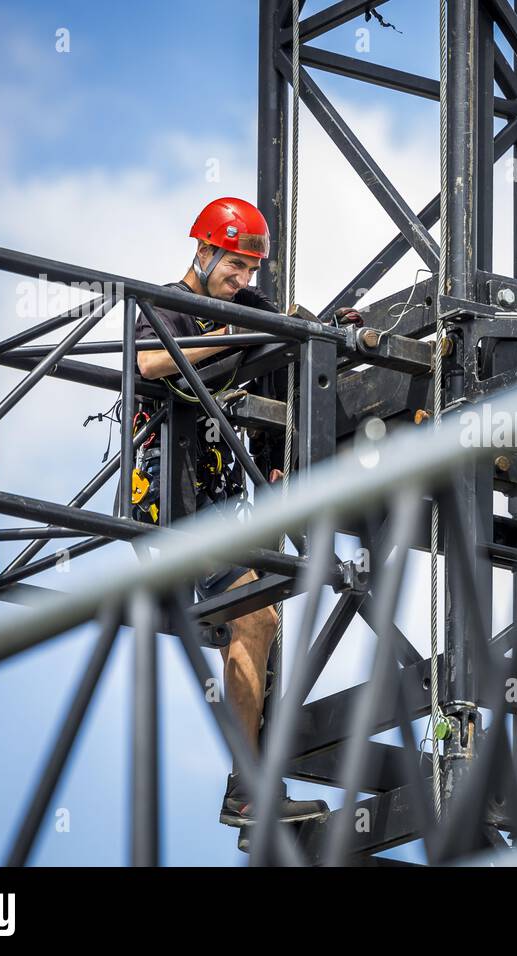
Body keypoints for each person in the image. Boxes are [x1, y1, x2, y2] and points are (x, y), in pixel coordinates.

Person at [133, 196, 333, 829]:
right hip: (172, 503)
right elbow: (147, 361)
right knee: (254, 620)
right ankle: (246, 792)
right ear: (203, 252)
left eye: (250, 272)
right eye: (234, 269)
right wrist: (224, 340)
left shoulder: (246, 312)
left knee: (262, 619)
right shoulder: (171, 304)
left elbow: (278, 367)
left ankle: (251, 781)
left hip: (218, 502)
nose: (242, 282)